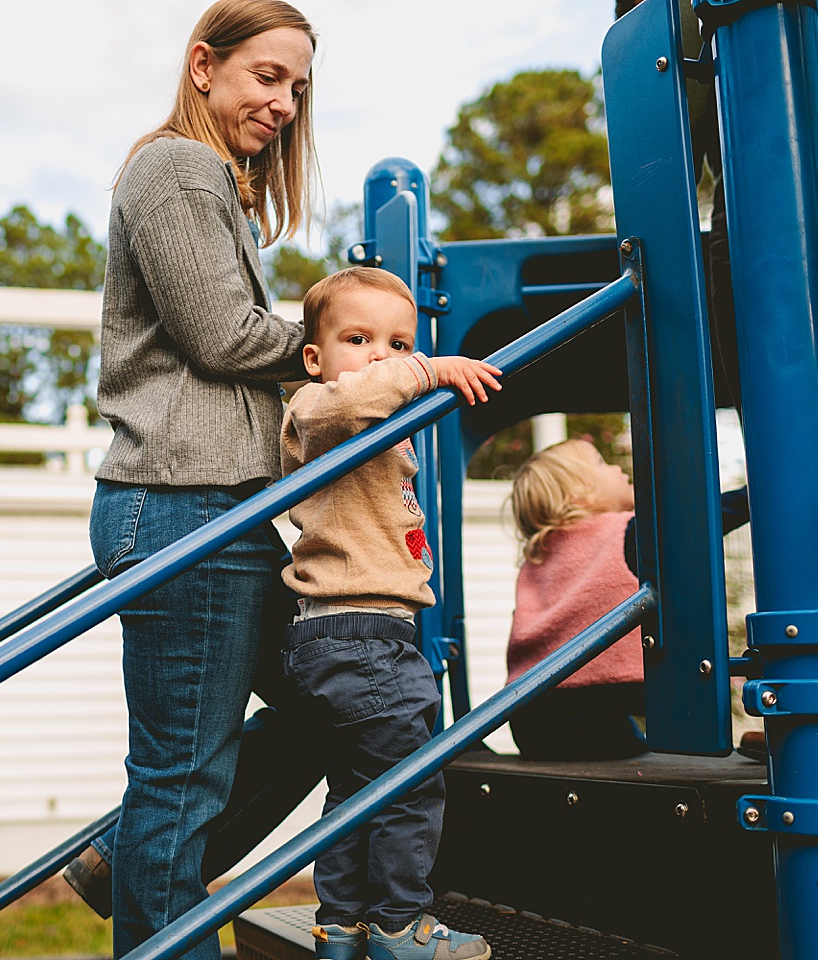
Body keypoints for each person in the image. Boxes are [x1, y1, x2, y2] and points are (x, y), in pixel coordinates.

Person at [75, 4, 323, 959]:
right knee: (182, 782)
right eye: (267, 76)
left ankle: (121, 858)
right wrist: (355, 357)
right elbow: (222, 335)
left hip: (220, 510)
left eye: (296, 87)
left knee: (342, 705)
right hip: (181, 507)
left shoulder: (217, 181)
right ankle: (148, 878)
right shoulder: (174, 166)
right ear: (203, 65)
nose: (284, 103)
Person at [281, 267, 500, 960]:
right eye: (358, 337)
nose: (383, 354)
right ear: (314, 357)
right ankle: (402, 924)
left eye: (399, 341)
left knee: (355, 789)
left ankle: (341, 923)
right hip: (360, 632)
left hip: (358, 631)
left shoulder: (373, 424)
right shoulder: (318, 409)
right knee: (411, 782)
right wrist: (428, 368)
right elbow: (351, 400)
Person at [505, 440, 750, 759]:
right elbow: (697, 522)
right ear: (579, 494)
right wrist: (751, 495)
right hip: (596, 704)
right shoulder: (627, 534)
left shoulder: (537, 558)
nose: (617, 467)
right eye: (601, 462)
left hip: (528, 714)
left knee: (633, 745)